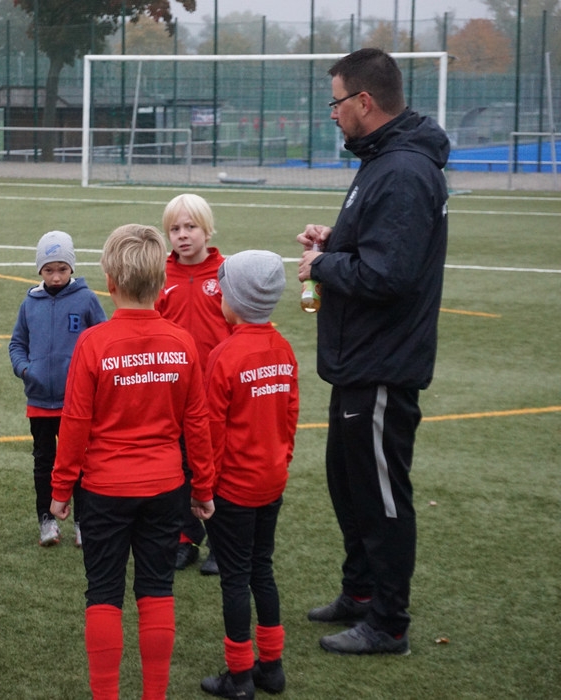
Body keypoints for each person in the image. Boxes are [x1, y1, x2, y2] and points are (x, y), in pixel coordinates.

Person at [297, 47, 449, 657]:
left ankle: (388, 623)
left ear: (364, 100)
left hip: (383, 363)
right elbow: (380, 245)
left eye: (336, 101)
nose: (332, 113)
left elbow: (390, 275)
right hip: (359, 360)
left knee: (381, 495)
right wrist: (337, 240)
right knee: (350, 484)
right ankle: (359, 592)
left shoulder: (404, 170)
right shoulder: (383, 161)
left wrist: (323, 264)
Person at [50, 224, 215, 700]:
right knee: (156, 590)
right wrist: (203, 487)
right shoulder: (182, 342)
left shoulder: (95, 343)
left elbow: (74, 424)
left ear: (109, 281)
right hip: (165, 486)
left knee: (103, 593)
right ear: (162, 282)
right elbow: (197, 424)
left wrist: (60, 489)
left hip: (105, 488)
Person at [198, 251, 298, 699]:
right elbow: (290, 416)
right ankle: (271, 667)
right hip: (271, 480)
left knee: (235, 579)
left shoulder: (225, 355)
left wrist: (203, 488)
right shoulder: (282, 348)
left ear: (234, 300)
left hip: (233, 489)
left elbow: (211, 432)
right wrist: (280, 461)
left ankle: (239, 676)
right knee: (262, 569)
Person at [9, 231, 107, 547]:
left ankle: (83, 522)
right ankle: (46, 520)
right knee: (44, 463)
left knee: (80, 462)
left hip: (76, 403)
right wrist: (26, 369)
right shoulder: (30, 303)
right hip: (39, 402)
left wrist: (89, 380)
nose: (55, 277)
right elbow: (17, 344)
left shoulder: (86, 299)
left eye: (62, 269)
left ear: (71, 268)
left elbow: (102, 342)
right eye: (49, 270)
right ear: (40, 269)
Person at [156, 193, 232, 575]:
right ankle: (185, 538)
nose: (183, 235)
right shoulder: (160, 276)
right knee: (179, 467)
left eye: (191, 227)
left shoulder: (226, 273)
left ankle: (221, 542)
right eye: (175, 229)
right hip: (174, 393)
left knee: (216, 466)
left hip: (218, 392)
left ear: (207, 229)